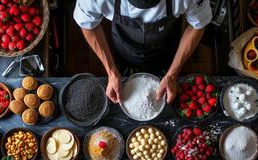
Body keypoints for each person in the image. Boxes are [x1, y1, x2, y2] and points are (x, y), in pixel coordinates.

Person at [74, 0, 212, 104]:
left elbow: (198, 24)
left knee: (167, 64)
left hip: (167, 45)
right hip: (124, 44)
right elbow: (87, 24)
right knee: (122, 64)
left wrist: (172, 74)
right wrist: (111, 71)